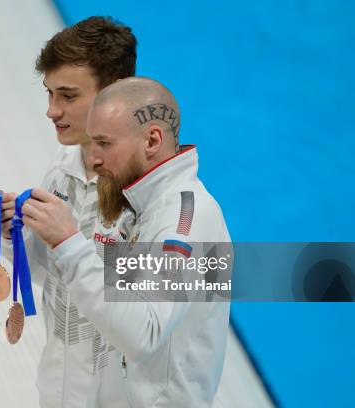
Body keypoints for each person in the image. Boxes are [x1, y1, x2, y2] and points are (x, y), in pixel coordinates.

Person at [21, 77, 231, 407]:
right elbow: (99, 303)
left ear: (151, 140)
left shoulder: (184, 222)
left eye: (104, 144)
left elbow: (143, 333)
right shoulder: (138, 204)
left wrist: (70, 242)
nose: (93, 159)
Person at [0, 17, 137, 408]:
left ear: (114, 93)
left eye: (68, 96)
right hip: (60, 389)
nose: (52, 111)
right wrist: (12, 233)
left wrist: (69, 242)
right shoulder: (64, 166)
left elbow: (150, 320)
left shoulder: (150, 193)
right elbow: (50, 272)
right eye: (50, 94)